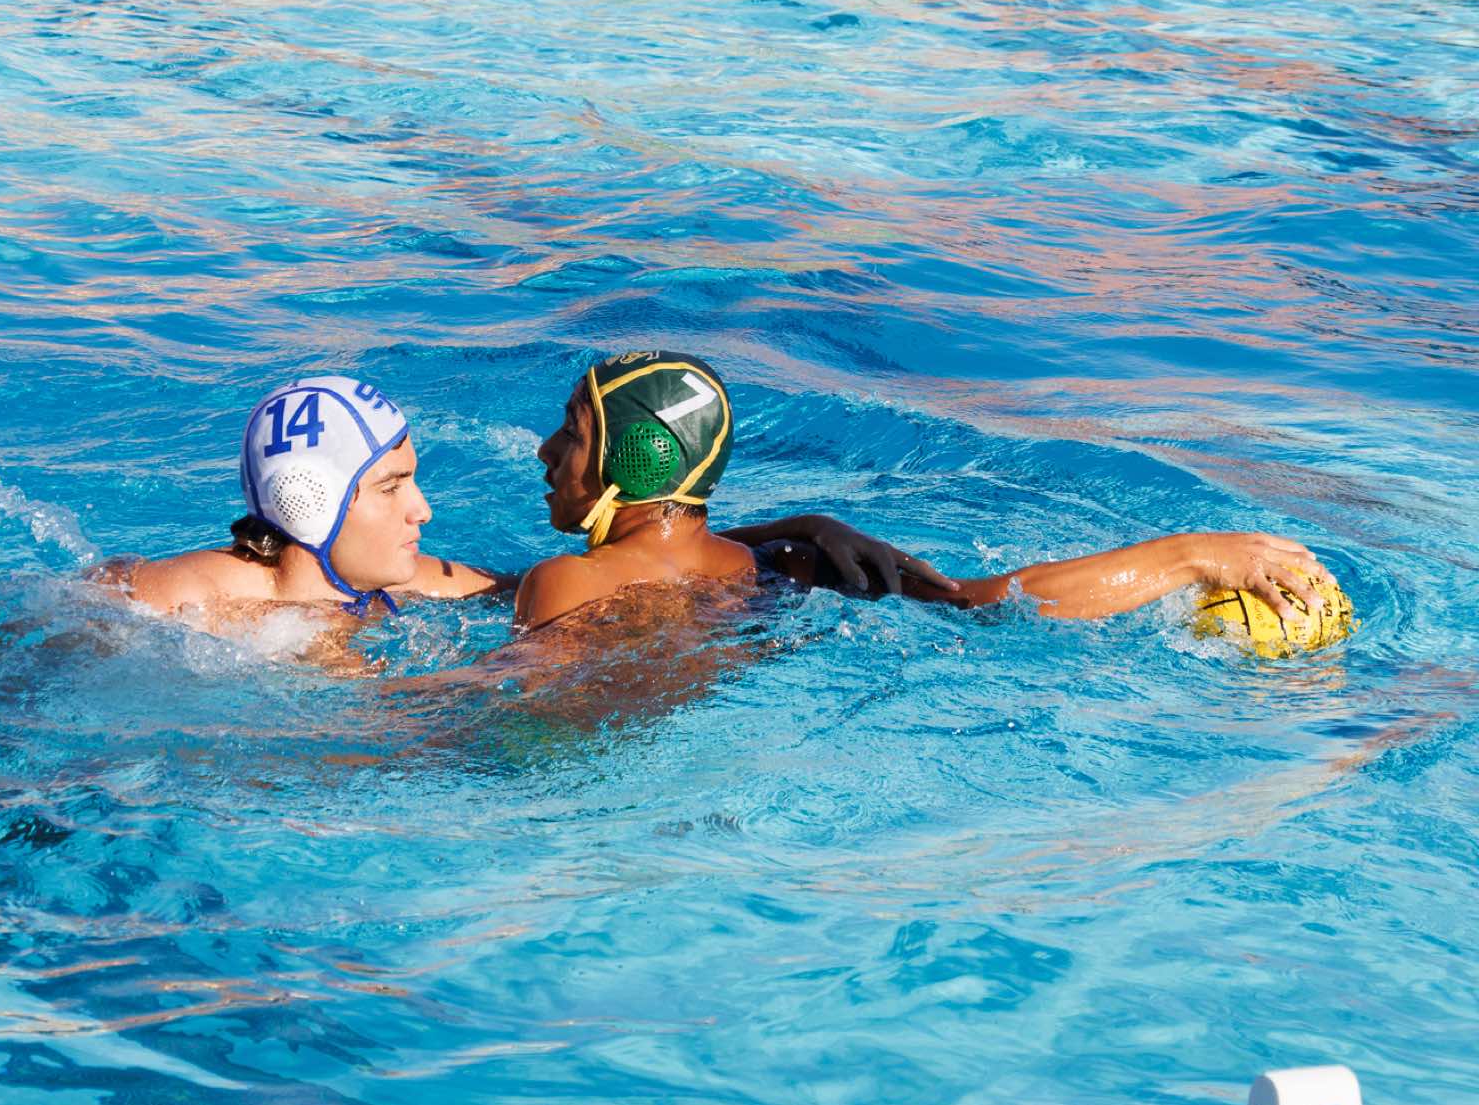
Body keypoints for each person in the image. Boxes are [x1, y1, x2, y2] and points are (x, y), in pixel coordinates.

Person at [517, 349, 1334, 631]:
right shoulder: (779, 569)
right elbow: (987, 600)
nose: (548, 451)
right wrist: (1192, 554)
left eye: (573, 431)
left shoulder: (559, 585)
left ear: (640, 458)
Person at [97, 374, 924, 643]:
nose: (423, 509)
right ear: (310, 501)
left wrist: (799, 531)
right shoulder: (172, 600)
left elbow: (632, 568)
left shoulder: (410, 585)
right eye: (390, 486)